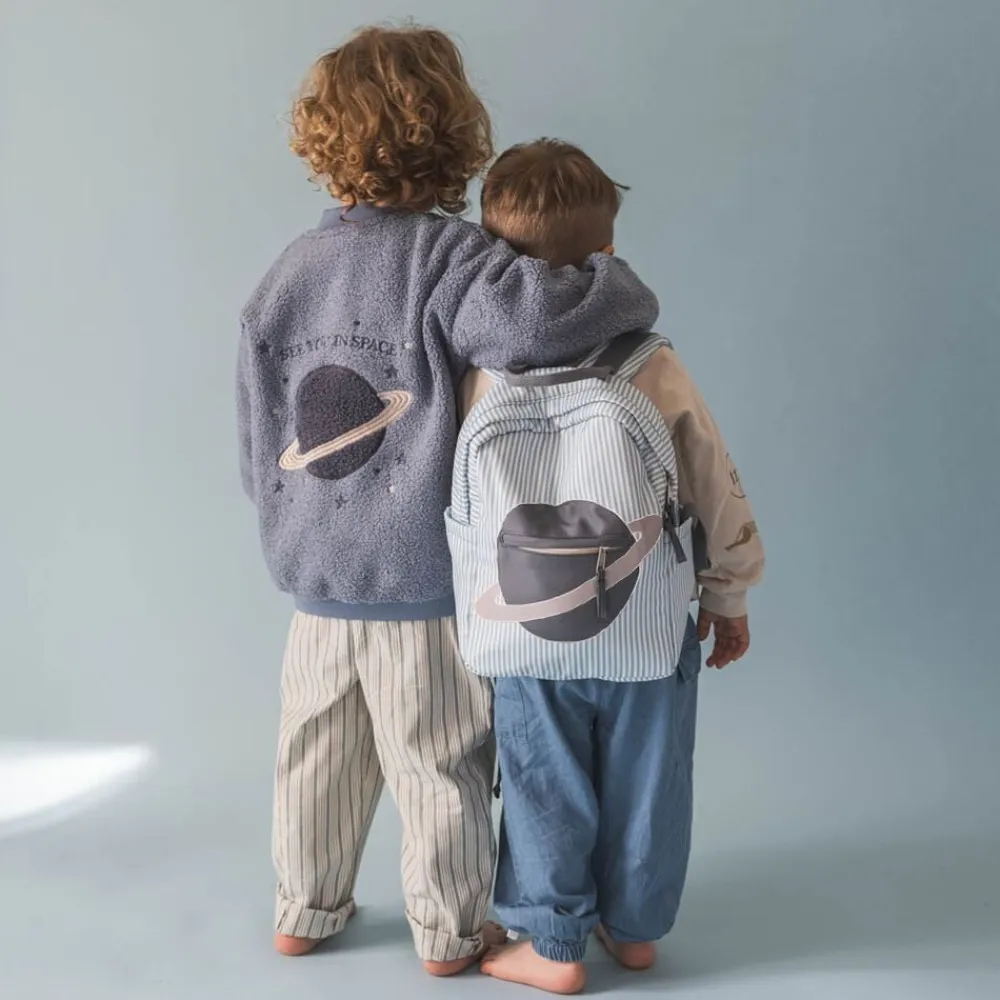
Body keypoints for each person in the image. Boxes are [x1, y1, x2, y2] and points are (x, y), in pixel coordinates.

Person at [236, 31, 659, 976]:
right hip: (420, 577)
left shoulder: (287, 272)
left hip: (314, 577)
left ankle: (304, 909)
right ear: (454, 135)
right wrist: (616, 280)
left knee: (315, 754)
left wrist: (286, 528)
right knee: (440, 761)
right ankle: (451, 931)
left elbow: (259, 437)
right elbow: (540, 327)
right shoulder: (455, 258)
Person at [456, 139, 765, 994]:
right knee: (650, 779)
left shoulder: (480, 368)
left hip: (526, 629)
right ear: (607, 252)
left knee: (541, 782)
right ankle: (633, 932)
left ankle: (554, 945)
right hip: (648, 619)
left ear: (493, 251)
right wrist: (729, 594)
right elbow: (714, 484)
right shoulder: (648, 361)